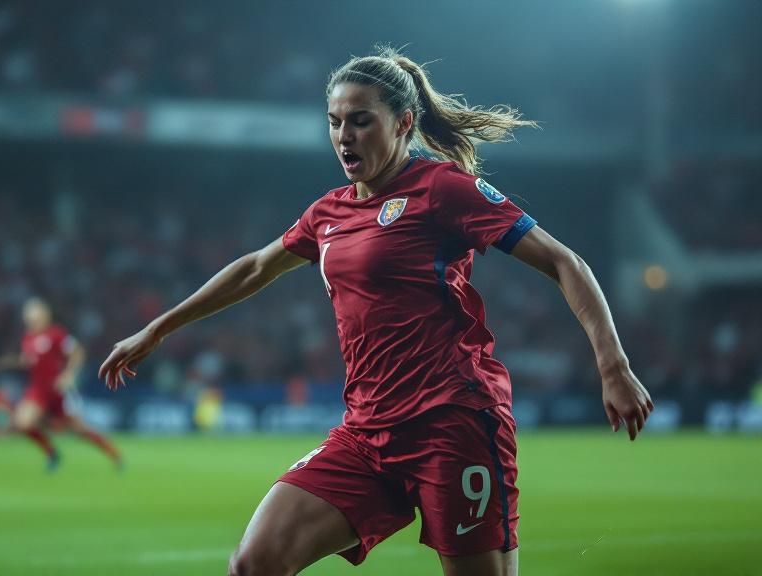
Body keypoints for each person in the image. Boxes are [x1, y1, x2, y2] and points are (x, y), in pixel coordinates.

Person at [99, 46, 653, 576]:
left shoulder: (443, 189)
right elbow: (255, 268)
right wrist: (157, 329)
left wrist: (613, 366)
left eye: (361, 121)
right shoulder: (328, 212)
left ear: (403, 123)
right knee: (253, 565)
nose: (344, 135)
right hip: (366, 433)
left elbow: (563, 261)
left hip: (452, 423)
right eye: (335, 122)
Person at [2, 297, 122, 472]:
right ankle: (52, 453)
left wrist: (69, 374)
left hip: (59, 390)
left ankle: (114, 454)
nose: (31, 317)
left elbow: (78, 352)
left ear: (45, 314)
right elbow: (31, 360)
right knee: (23, 423)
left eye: (35, 313)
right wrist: (14, 362)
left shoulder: (56, 334)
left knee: (80, 430)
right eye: (28, 314)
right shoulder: (27, 338)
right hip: (38, 391)